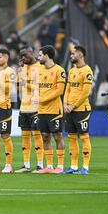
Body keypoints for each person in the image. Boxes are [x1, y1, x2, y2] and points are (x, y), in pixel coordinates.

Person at [33, 45, 67, 174]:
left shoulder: (59, 71)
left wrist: (42, 99)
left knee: (57, 136)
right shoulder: (39, 70)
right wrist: (36, 95)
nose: (38, 57)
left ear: (47, 56)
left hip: (54, 110)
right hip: (42, 110)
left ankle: (60, 166)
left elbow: (59, 91)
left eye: (40, 55)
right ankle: (49, 166)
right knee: (45, 137)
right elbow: (37, 86)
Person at [63, 45, 94, 175]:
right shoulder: (72, 71)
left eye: (73, 53)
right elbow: (68, 89)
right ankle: (73, 166)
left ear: (80, 54)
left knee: (84, 136)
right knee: (71, 136)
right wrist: (65, 103)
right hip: (69, 109)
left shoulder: (87, 71)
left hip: (82, 109)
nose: (71, 55)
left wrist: (73, 105)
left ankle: (85, 167)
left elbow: (85, 93)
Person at [14, 47, 44, 173]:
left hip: (35, 107)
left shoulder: (40, 68)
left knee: (37, 135)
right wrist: (18, 73)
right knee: (25, 136)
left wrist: (24, 83)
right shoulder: (22, 68)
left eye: (25, 56)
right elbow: (17, 85)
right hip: (24, 107)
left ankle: (40, 164)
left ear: (32, 54)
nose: (23, 59)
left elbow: (39, 87)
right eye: (22, 57)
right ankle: (26, 165)